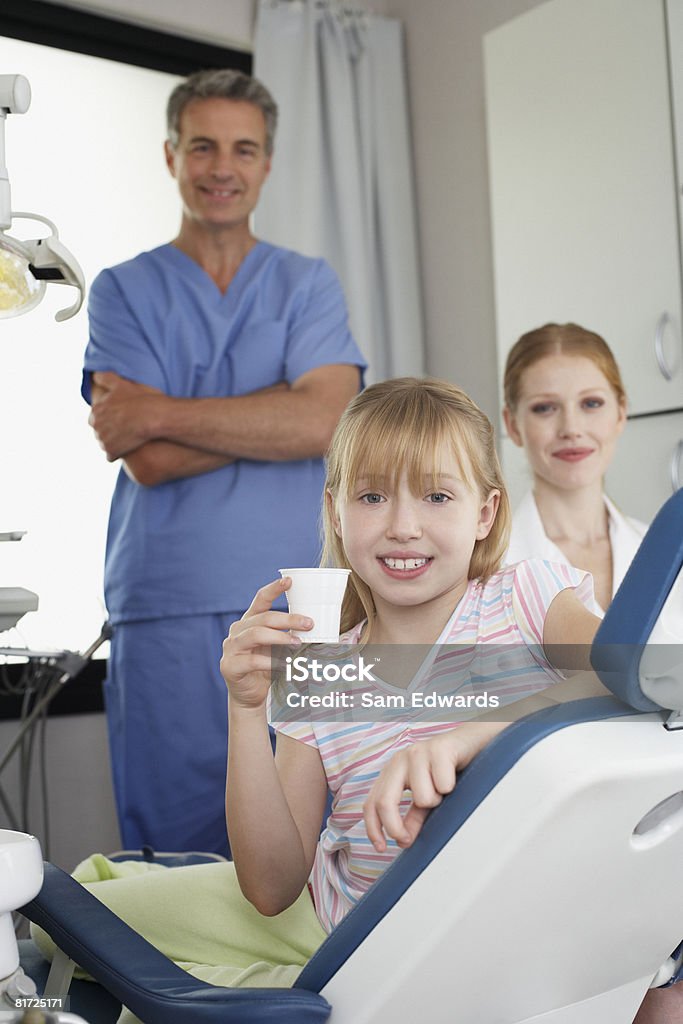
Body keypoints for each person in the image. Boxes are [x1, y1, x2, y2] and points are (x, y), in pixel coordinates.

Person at [41, 376, 663, 1024]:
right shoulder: (322, 669)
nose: (401, 527)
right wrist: (247, 709)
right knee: (62, 919)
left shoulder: (526, 599)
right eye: (371, 496)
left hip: (439, 961)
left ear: (483, 512)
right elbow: (272, 886)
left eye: (436, 496)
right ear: (336, 510)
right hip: (328, 922)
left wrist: (471, 733)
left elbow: (632, 673)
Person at [83, 68, 365, 856]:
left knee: (316, 832)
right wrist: (270, 403)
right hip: (168, 599)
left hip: (302, 597)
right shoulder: (123, 291)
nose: (221, 168)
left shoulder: (305, 283)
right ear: (170, 154)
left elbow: (328, 418)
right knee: (175, 843)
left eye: (243, 149)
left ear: (266, 164)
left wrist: (160, 409)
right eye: (202, 146)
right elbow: (144, 459)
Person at [502, 322, 646, 614]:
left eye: (591, 403)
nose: (571, 428)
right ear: (513, 425)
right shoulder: (488, 570)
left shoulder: (666, 554)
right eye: (545, 408)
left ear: (620, 413)